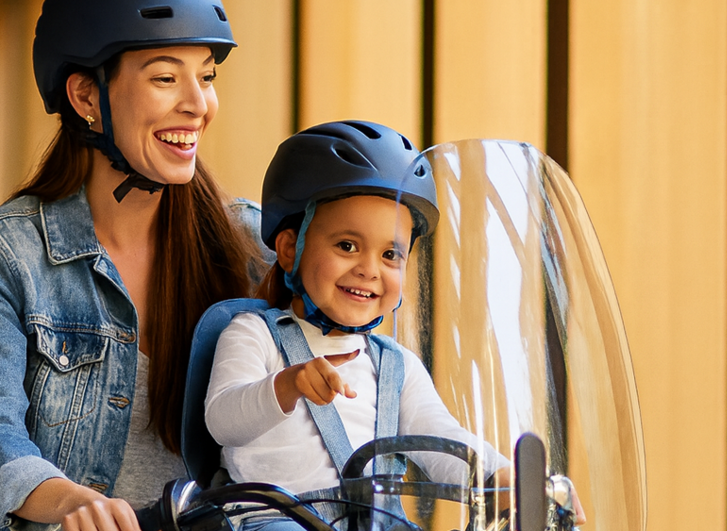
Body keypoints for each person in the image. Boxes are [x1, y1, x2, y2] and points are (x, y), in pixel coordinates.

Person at [0, 0, 268, 531]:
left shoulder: (250, 246)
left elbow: (351, 358)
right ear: (86, 97)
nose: (198, 104)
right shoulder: (0, 254)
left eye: (207, 76)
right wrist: (71, 503)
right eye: (166, 78)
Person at [203, 121, 516, 530]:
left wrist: (500, 476)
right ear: (290, 248)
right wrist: (288, 384)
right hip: (274, 519)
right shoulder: (253, 333)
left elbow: (442, 440)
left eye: (390, 254)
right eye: (347, 246)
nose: (370, 270)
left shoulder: (395, 367)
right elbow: (222, 421)